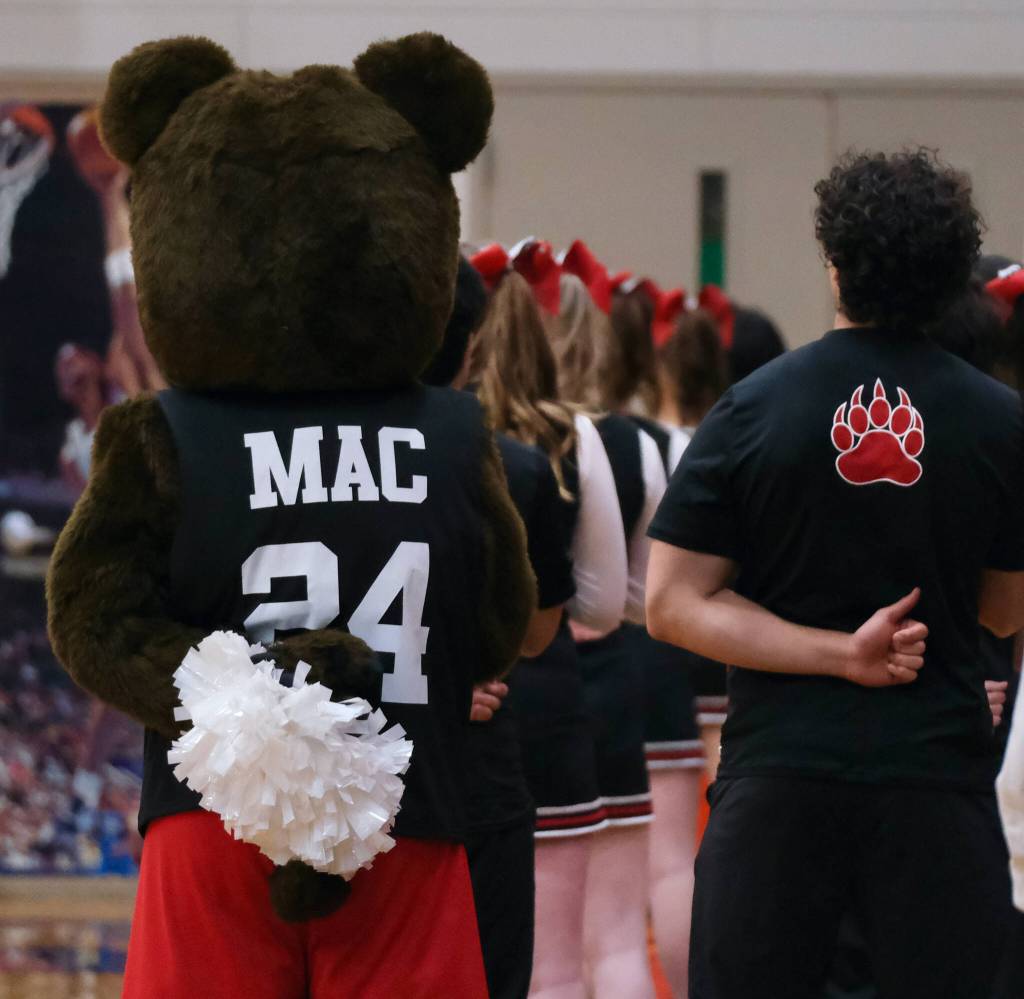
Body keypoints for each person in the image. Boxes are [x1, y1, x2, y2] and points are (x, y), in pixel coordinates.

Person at [646, 149, 1024, 999]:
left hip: (780, 783)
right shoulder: (1001, 423)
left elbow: (671, 604)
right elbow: (1004, 611)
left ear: (835, 261)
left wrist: (833, 651)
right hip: (935, 787)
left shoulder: (753, 408)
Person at [467, 265, 627, 999]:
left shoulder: (426, 436)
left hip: (451, 713)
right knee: (555, 964)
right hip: (549, 698)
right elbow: (599, 605)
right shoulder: (571, 436)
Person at [423, 256, 570, 999]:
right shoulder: (515, 467)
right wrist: (455, 669)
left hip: (352, 776)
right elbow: (539, 633)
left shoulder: (315, 454)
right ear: (472, 345)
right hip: (473, 775)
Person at [547, 267, 661, 999]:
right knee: (617, 938)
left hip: (508, 694)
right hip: (613, 674)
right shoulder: (627, 442)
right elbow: (635, 595)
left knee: (533, 958)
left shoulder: (459, 432)